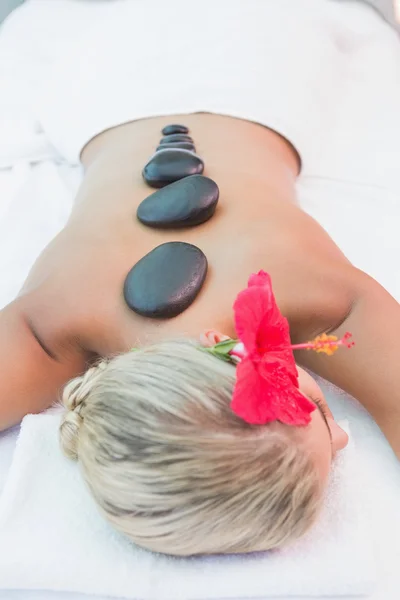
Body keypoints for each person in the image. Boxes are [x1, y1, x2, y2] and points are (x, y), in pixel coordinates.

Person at [1, 0, 399, 555]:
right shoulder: (54, 328)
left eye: (326, 431)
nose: (341, 434)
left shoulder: (308, 294)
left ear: (247, 361)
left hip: (254, 74)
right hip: (109, 89)